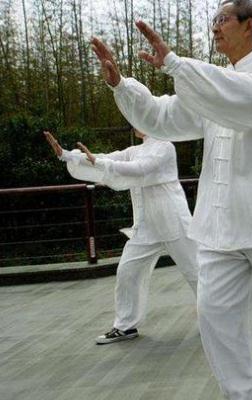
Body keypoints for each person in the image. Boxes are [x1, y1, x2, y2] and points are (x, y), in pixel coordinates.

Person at [90, 1, 252, 398]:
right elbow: (163, 118)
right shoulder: (211, 82)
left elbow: (246, 102)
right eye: (212, 21)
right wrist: (122, 87)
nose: (214, 28)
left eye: (222, 20)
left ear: (249, 25)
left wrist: (178, 66)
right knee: (216, 318)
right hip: (219, 226)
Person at [44, 130, 198, 344]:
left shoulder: (165, 147)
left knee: (196, 271)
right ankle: (125, 326)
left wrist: (99, 162)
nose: (134, 123)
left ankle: (219, 318)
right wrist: (68, 155)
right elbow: (110, 157)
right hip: (146, 226)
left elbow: (139, 169)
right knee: (128, 271)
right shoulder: (136, 150)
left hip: (173, 220)